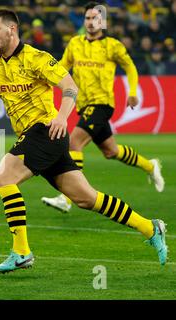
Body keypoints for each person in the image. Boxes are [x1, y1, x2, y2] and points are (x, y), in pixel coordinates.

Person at [0, 9, 167, 273]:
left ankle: (21, 251)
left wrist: (61, 117)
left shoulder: (37, 58)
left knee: (3, 178)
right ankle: (150, 227)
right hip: (34, 137)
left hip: (45, 131)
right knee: (87, 199)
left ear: (12, 29)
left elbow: (70, 87)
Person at [41, 2, 164, 213]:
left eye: (95, 19)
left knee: (74, 142)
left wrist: (132, 91)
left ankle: (67, 197)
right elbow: (62, 67)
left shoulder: (113, 46)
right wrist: (43, 77)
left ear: (103, 22)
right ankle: (150, 166)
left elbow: (130, 67)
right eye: (87, 18)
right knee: (111, 151)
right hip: (84, 105)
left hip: (103, 103)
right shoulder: (75, 43)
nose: (90, 22)